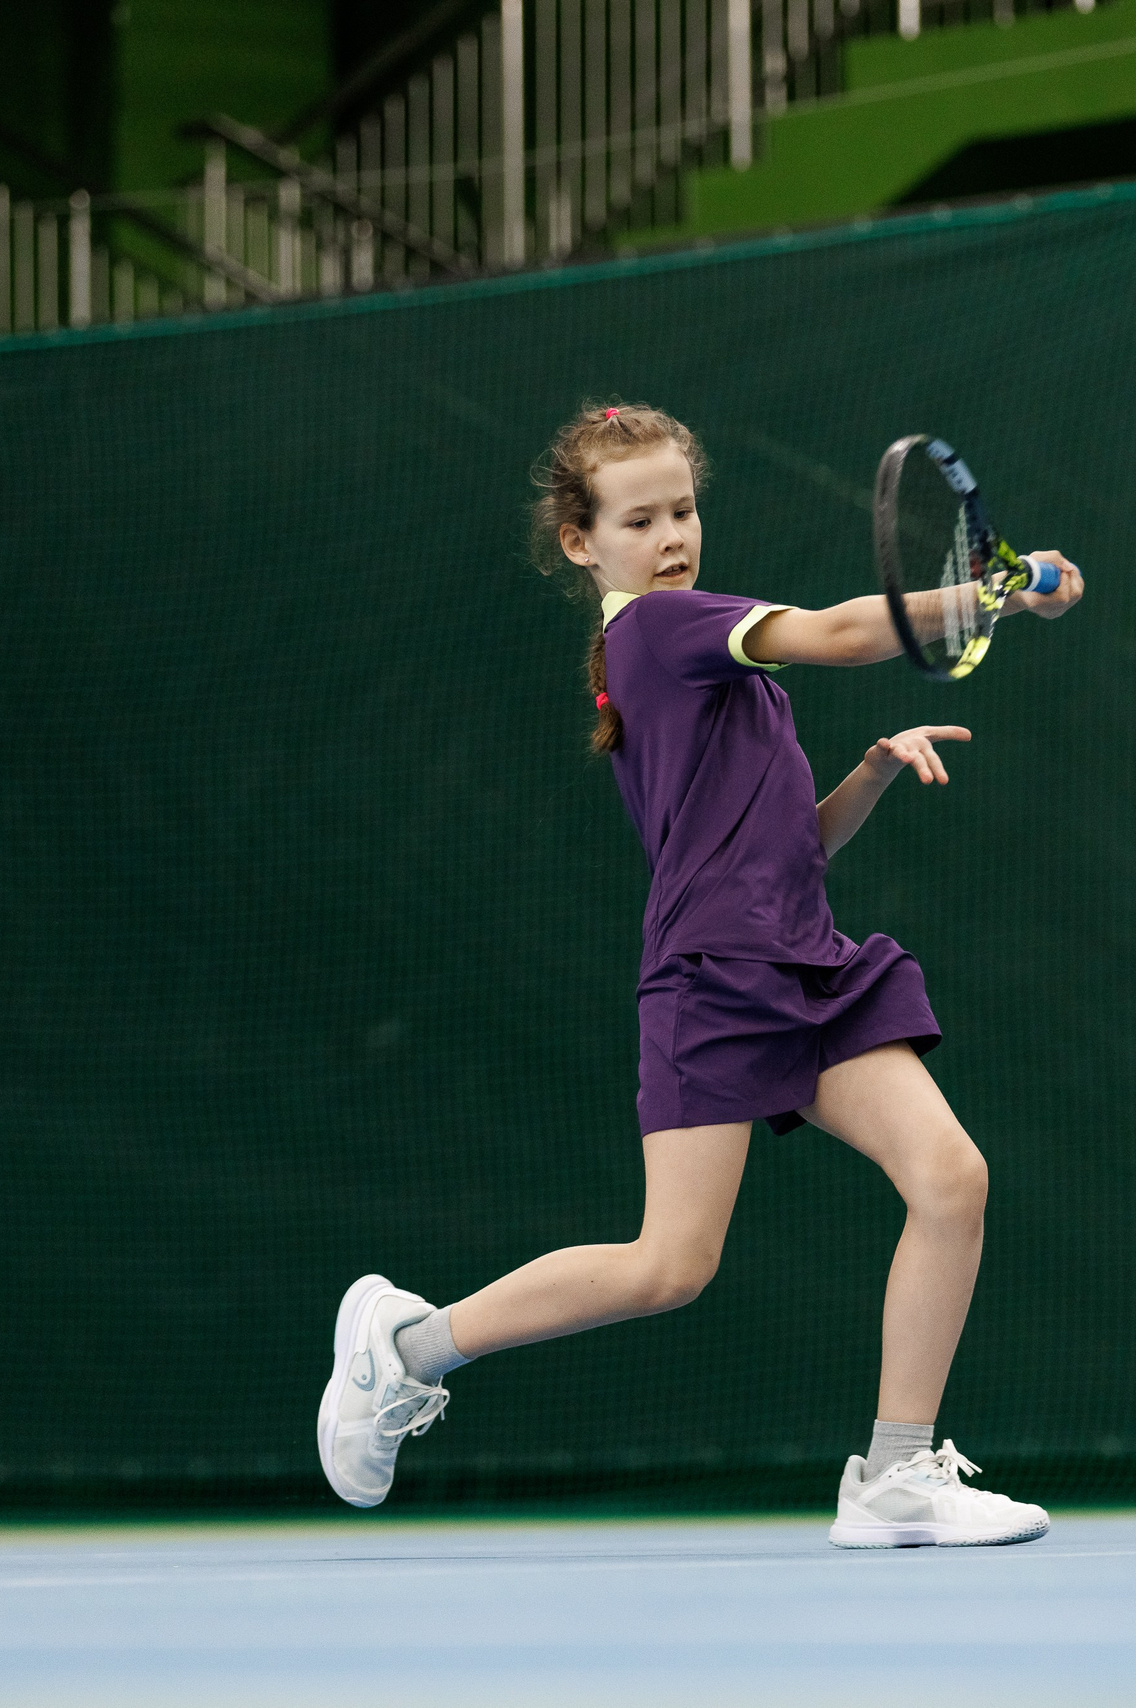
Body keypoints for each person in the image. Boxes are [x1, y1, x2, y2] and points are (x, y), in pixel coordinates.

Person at [319, 401, 1084, 1546]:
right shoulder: (660, 630)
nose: (670, 535)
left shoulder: (712, 666)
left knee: (948, 1177)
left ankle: (894, 1475)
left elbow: (791, 850)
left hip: (809, 965)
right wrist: (1000, 594)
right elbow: (839, 632)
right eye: (638, 520)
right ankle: (408, 1346)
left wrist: (871, 772)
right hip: (713, 982)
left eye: (681, 510)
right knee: (668, 1267)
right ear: (582, 542)